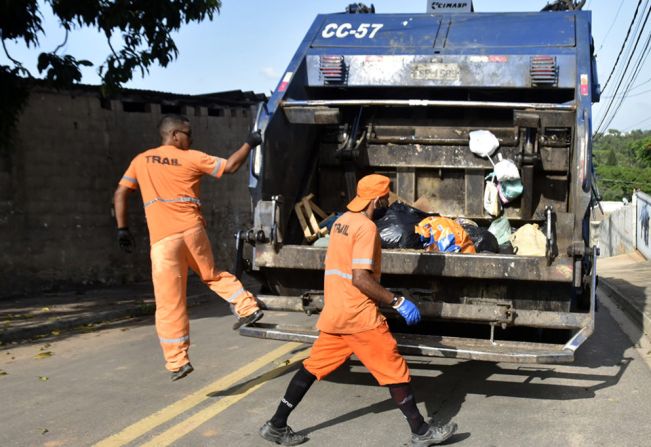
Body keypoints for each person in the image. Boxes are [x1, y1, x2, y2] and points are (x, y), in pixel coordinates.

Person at [258, 174, 457, 446]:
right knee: (394, 370)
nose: (388, 202)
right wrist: (396, 301)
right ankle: (421, 432)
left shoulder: (341, 222)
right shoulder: (366, 228)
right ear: (376, 200)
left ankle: (276, 424)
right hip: (359, 317)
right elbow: (360, 278)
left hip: (336, 313)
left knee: (311, 368)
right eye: (386, 198)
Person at [113, 114, 263, 381]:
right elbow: (230, 166)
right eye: (188, 133)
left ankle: (177, 362)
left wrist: (122, 229)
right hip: (192, 231)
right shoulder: (191, 157)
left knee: (170, 302)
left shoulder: (141, 160)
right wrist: (250, 143)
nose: (191, 138)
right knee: (212, 275)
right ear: (173, 135)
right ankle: (247, 307)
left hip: (163, 242)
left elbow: (121, 193)